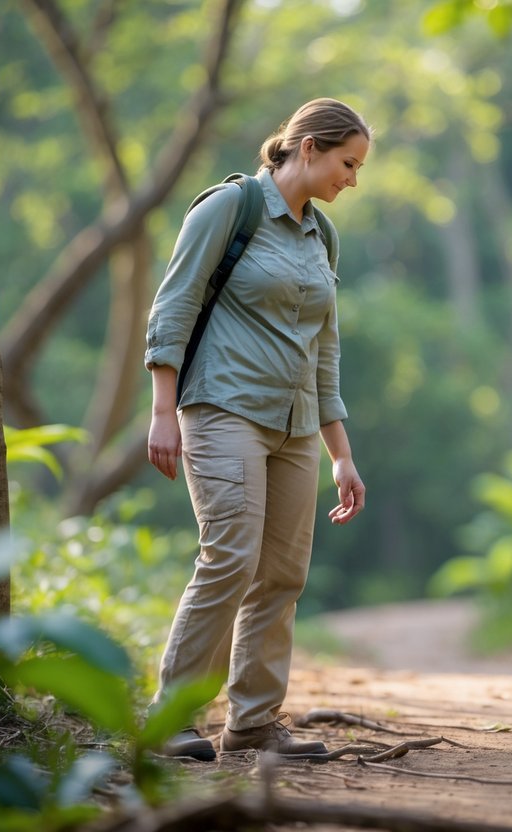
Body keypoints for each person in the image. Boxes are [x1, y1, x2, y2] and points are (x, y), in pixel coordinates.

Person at [144, 98, 370, 760]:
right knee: (231, 555)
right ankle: (171, 722)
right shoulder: (231, 208)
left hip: (295, 424)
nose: (351, 179)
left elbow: (324, 349)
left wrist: (342, 455)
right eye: (347, 163)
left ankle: (253, 723)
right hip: (222, 407)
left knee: (282, 573)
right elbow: (175, 302)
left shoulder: (321, 235)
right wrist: (162, 410)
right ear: (308, 149)